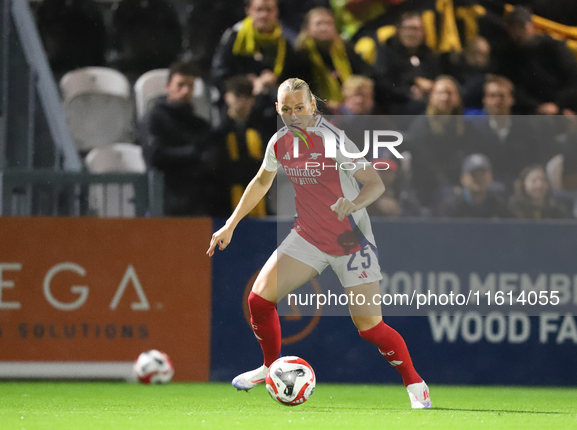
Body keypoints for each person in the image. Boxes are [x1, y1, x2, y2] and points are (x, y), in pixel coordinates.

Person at [206, 77, 431, 409]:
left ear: (313, 105)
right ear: (277, 109)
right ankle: (270, 368)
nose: (294, 115)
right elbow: (261, 180)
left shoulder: (332, 140)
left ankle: (416, 384)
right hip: (308, 237)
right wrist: (230, 224)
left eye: (300, 107)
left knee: (369, 327)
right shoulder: (279, 142)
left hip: (351, 241)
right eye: (286, 109)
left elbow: (374, 184)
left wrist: (353, 204)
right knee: (259, 300)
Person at [137, 62, 214, 216]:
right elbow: (155, 156)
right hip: (163, 204)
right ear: (168, 86)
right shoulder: (154, 119)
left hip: (195, 205)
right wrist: (193, 153)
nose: (185, 91)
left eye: (190, 86)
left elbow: (209, 159)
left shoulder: (199, 124)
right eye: (180, 85)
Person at [407, 76, 480, 209]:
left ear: (458, 98)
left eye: (450, 93)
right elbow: (425, 164)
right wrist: (451, 186)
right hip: (427, 187)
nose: (445, 97)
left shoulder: (466, 127)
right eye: (440, 93)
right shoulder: (421, 126)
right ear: (432, 97)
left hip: (461, 184)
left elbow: (471, 156)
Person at [211, 0, 310, 95]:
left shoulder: (285, 41)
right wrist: (247, 83)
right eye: (259, 9)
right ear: (248, 10)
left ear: (276, 12)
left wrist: (276, 83)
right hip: (241, 98)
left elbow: (297, 77)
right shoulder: (235, 38)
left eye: (269, 10)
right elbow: (219, 74)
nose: (264, 15)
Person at [212, 75, 276, 216]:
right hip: (225, 204)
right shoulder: (218, 132)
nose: (242, 101)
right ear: (227, 98)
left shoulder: (261, 128)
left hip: (261, 202)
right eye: (238, 96)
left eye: (247, 97)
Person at [495, 6, 577, 114]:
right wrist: (536, 106)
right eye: (513, 28)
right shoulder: (508, 54)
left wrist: (558, 104)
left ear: (531, 27)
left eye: (521, 26)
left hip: (562, 106)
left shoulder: (553, 46)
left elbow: (573, 78)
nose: (517, 32)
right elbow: (512, 86)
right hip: (528, 110)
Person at [470, 75, 543, 190]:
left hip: (523, 186)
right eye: (492, 96)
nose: (497, 101)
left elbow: (535, 161)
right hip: (487, 188)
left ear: (511, 99)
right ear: (485, 100)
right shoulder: (474, 130)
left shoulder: (526, 128)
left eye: (502, 96)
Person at [295, 7, 371, 111]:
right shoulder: (300, 55)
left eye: (328, 23)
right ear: (307, 28)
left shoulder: (346, 50)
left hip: (350, 108)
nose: (324, 28)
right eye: (319, 24)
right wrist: (324, 105)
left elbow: (366, 75)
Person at [370, 11, 441, 115]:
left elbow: (439, 78)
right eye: (408, 28)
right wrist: (410, 88)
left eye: (417, 29)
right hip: (398, 106)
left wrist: (433, 87)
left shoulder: (429, 54)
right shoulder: (386, 52)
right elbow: (382, 83)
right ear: (399, 30)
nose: (412, 34)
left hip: (430, 101)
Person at [444, 154, 512, 219]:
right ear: (463, 179)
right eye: (473, 174)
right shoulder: (452, 206)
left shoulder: (500, 205)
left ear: (491, 177)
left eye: (482, 174)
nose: (478, 178)